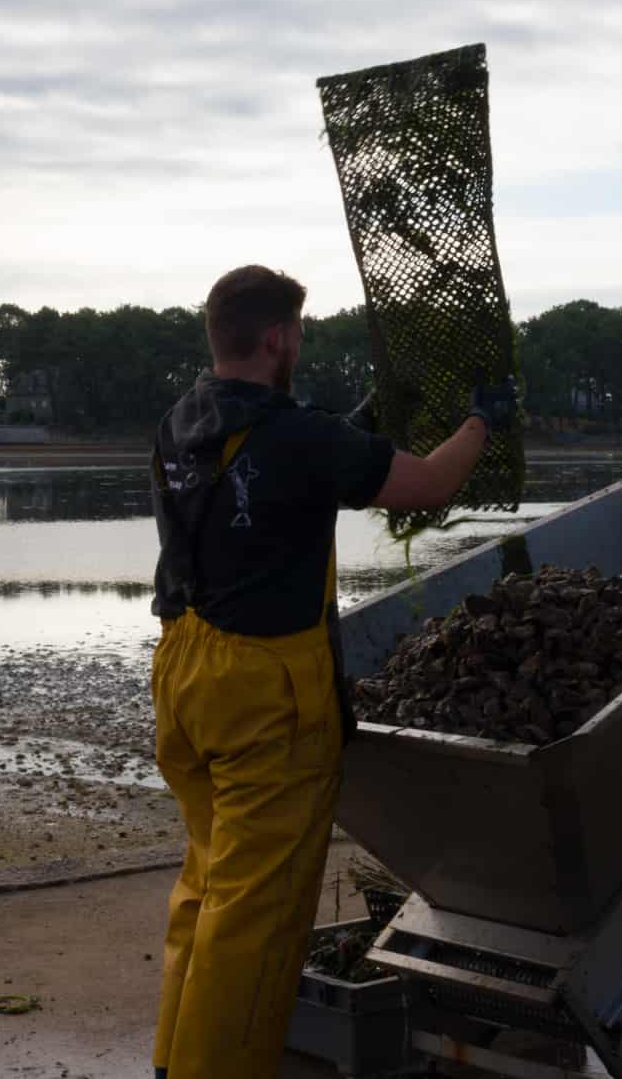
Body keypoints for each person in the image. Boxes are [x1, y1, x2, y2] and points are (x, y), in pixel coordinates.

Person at [148, 264, 516, 1078]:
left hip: (182, 673)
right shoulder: (299, 439)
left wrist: (361, 427)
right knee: (256, 918)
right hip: (261, 690)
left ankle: (173, 1063)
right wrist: (481, 424)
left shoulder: (182, 423)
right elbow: (426, 482)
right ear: (279, 337)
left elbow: (279, 477)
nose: (299, 346)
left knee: (208, 890)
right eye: (299, 334)